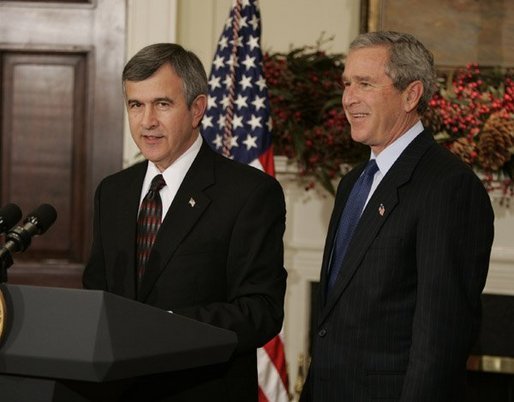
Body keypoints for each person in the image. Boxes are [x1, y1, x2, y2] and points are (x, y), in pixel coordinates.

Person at [83, 43, 287, 402]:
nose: (147, 121)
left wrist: (169, 326)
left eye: (162, 104)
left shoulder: (249, 193)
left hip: (200, 390)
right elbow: (97, 294)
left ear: (197, 109)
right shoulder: (113, 192)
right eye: (136, 105)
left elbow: (259, 310)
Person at [300, 31, 494, 402]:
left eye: (365, 84)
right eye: (347, 83)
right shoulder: (353, 182)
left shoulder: (448, 187)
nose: (348, 98)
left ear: (411, 94)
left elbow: (441, 339)